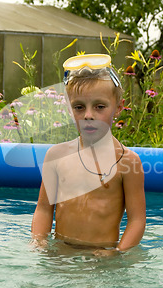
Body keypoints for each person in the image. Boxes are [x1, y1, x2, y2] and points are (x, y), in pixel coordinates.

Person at [31, 54, 145, 256]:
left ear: (118, 107)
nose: (88, 115)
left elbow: (137, 220)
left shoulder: (127, 162)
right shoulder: (56, 156)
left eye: (100, 107)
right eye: (79, 107)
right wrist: (39, 241)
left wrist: (118, 252)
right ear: (69, 109)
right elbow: (44, 209)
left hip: (101, 258)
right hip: (61, 254)